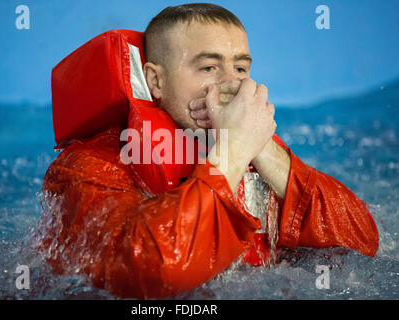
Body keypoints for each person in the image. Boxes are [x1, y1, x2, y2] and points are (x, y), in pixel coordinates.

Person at [38, 3, 378, 299]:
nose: (232, 85)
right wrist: (233, 150)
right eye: (208, 68)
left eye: (241, 68)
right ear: (155, 81)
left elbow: (361, 239)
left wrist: (262, 149)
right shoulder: (90, 166)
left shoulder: (253, 148)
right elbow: (150, 271)